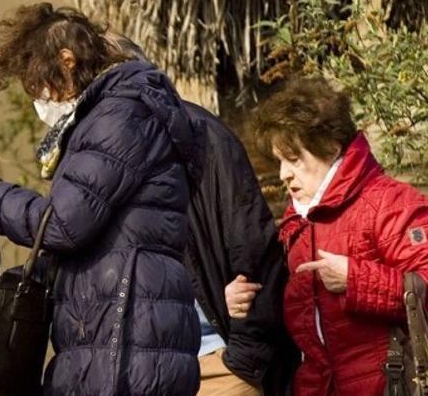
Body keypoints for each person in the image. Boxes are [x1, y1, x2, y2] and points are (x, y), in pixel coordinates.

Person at [0, 3, 202, 396]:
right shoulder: (113, 113)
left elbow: (64, 223)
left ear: (67, 61)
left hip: (125, 333)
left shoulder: (118, 115)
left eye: (41, 86)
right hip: (118, 321)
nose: (41, 100)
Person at [229, 77, 428, 395]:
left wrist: (355, 279)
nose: (285, 173)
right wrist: (243, 300)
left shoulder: (390, 202)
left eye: (294, 159)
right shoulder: (295, 228)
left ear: (329, 146)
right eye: (280, 161)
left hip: (394, 386)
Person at [106, 34, 297, 396]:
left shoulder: (200, 137)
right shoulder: (101, 162)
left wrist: (242, 360)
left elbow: (253, 249)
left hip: (213, 362)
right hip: (139, 372)